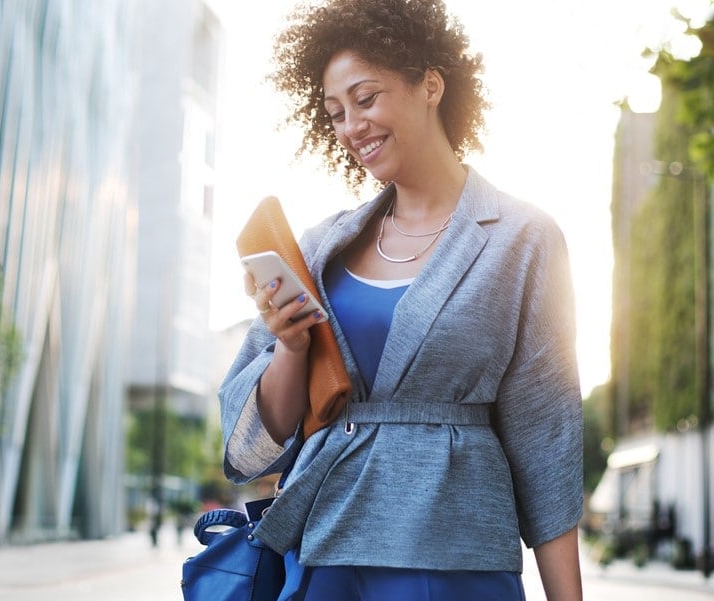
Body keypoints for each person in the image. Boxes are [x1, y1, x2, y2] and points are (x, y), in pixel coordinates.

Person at [218, 1, 584, 599]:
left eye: (366, 99)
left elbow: (546, 437)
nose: (352, 126)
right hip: (326, 546)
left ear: (431, 85)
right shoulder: (318, 248)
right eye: (335, 113)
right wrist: (289, 347)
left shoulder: (522, 237)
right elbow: (262, 434)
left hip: (453, 552)